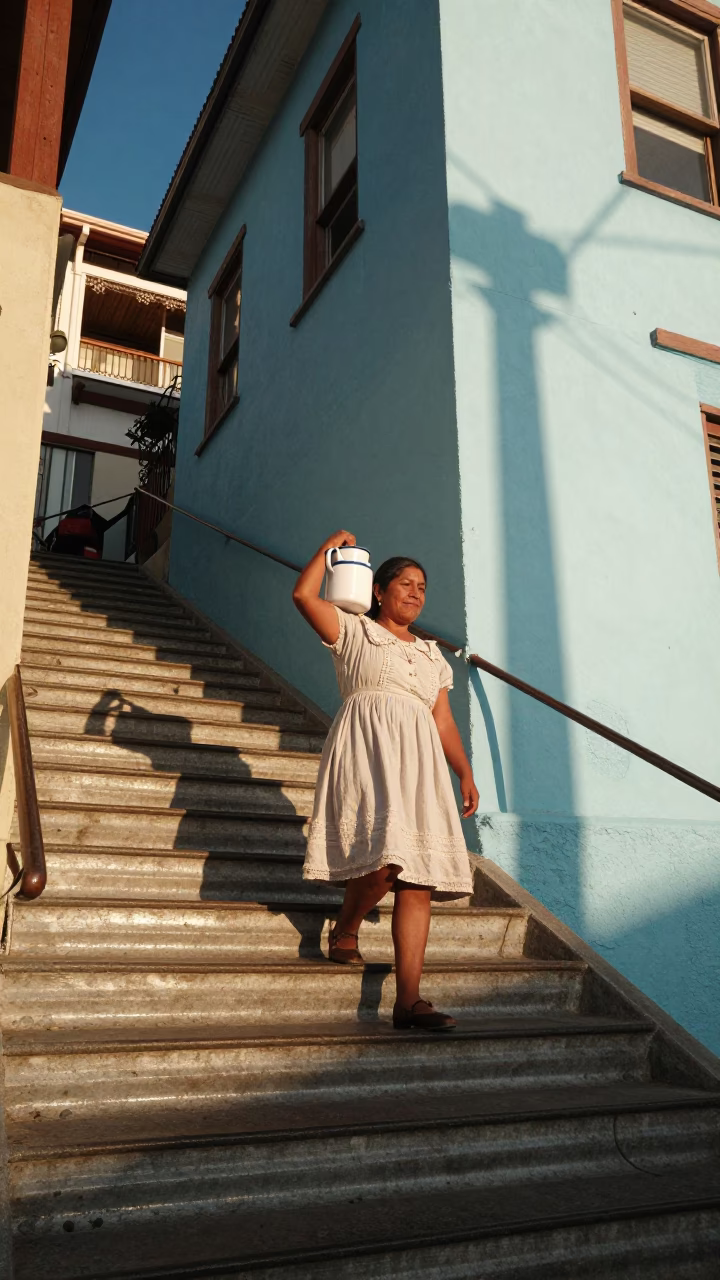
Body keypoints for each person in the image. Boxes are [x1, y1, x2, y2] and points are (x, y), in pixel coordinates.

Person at [293, 530, 479, 1032]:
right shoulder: (354, 631)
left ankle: (409, 1001)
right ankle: (347, 928)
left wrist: (463, 769)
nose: (416, 593)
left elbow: (441, 719)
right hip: (368, 751)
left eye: (423, 587)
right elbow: (303, 596)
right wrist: (330, 549)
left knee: (417, 875)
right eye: (406, 583)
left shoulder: (431, 655)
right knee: (388, 862)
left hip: (419, 763)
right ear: (379, 590)